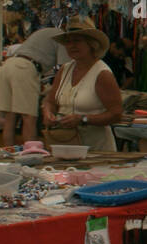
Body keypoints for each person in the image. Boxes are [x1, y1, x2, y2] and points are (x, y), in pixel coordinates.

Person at [42, 18, 122, 151]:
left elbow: (116, 114)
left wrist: (83, 119)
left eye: (77, 41)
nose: (72, 45)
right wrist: (48, 113)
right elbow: (50, 101)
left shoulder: (102, 74)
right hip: (66, 146)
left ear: (91, 44)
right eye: (68, 42)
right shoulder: (65, 70)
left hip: (96, 150)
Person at [0, 25, 65, 147]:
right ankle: (31, 154)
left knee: (10, 117)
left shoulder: (45, 31)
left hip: (9, 65)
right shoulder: (62, 37)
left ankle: (8, 154)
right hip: (25, 67)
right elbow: (64, 68)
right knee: (29, 117)